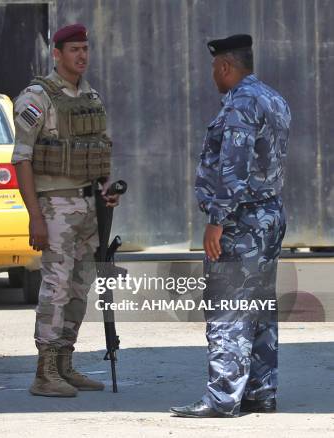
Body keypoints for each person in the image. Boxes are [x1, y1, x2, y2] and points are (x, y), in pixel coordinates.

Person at [170, 34, 291, 418]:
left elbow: (233, 169)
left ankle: (222, 397)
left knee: (227, 307)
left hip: (241, 220)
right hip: (270, 215)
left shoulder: (240, 102)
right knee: (260, 306)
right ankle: (260, 390)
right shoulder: (274, 98)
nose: (212, 76)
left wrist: (216, 221)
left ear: (224, 66)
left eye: (213, 68)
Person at [12, 24, 120, 398]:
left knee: (79, 286)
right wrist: (35, 216)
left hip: (90, 206)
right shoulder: (35, 98)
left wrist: (106, 189)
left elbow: (100, 151)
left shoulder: (91, 97)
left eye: (85, 49)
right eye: (74, 49)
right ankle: (44, 371)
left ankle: (64, 363)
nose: (82, 56)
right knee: (55, 287)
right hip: (55, 206)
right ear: (57, 54)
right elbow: (21, 160)